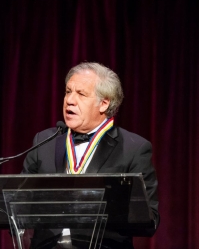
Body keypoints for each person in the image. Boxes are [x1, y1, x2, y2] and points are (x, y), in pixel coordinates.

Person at [22, 62, 159, 248]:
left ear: (104, 104)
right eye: (68, 91)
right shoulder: (44, 141)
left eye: (81, 94)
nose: (70, 100)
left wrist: (94, 208)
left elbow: (150, 220)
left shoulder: (134, 149)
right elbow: (19, 202)